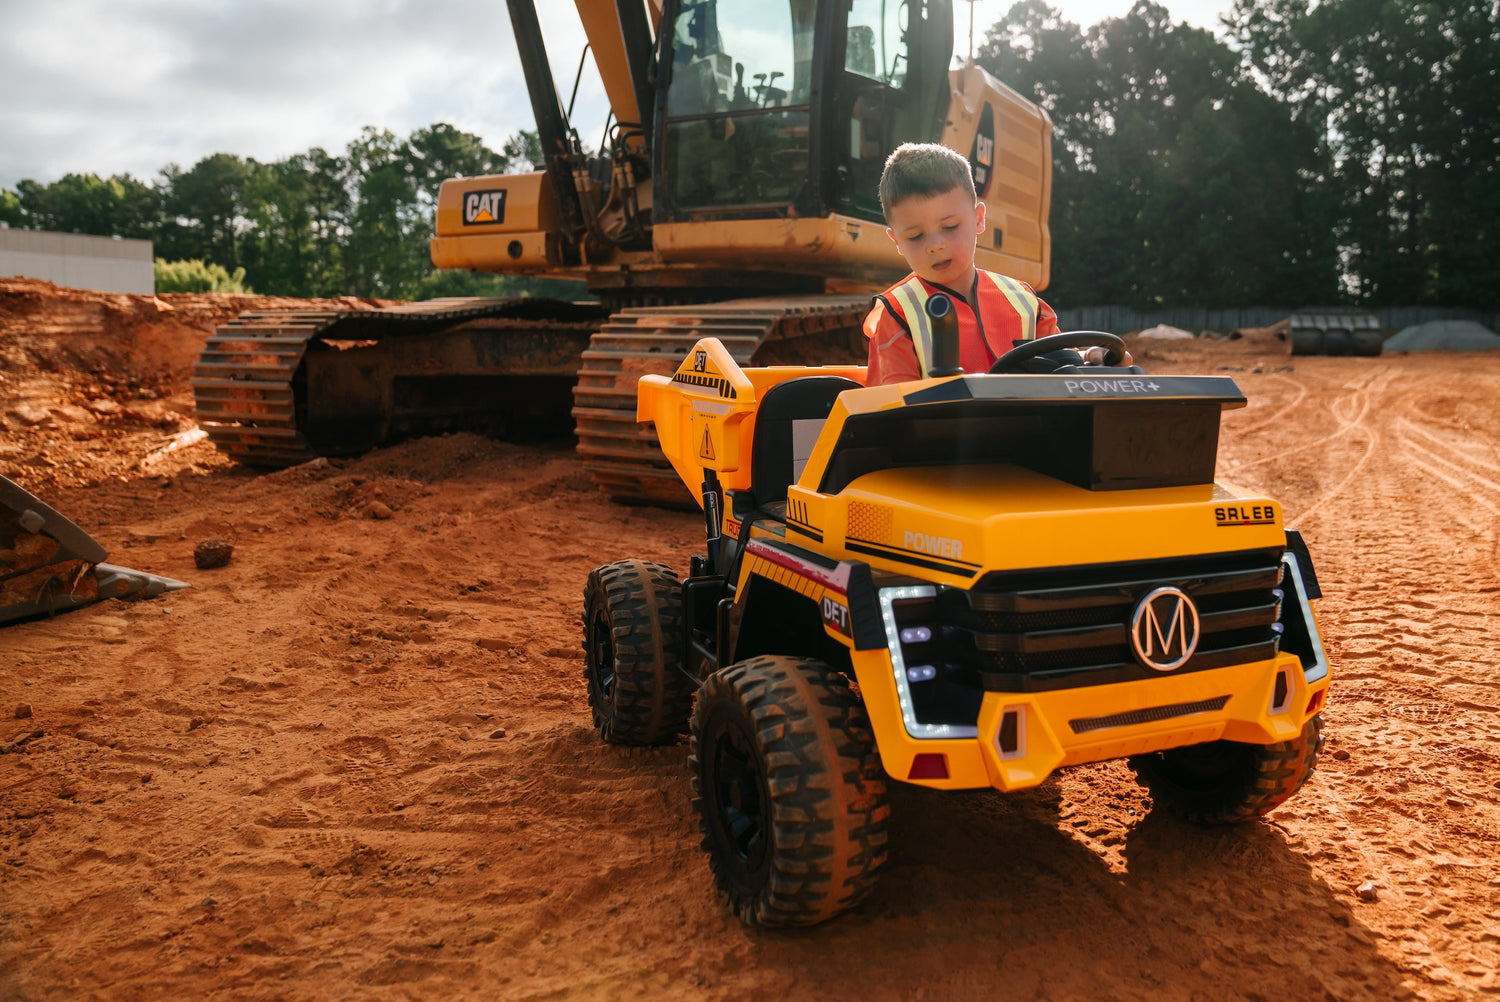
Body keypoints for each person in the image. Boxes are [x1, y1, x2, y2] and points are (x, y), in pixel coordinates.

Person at [862, 142, 1127, 384]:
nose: (935, 245)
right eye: (915, 236)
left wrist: (1089, 357)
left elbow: (1059, 363)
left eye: (950, 226)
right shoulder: (895, 314)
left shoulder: (1024, 300)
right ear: (896, 241)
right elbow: (893, 407)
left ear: (979, 219)